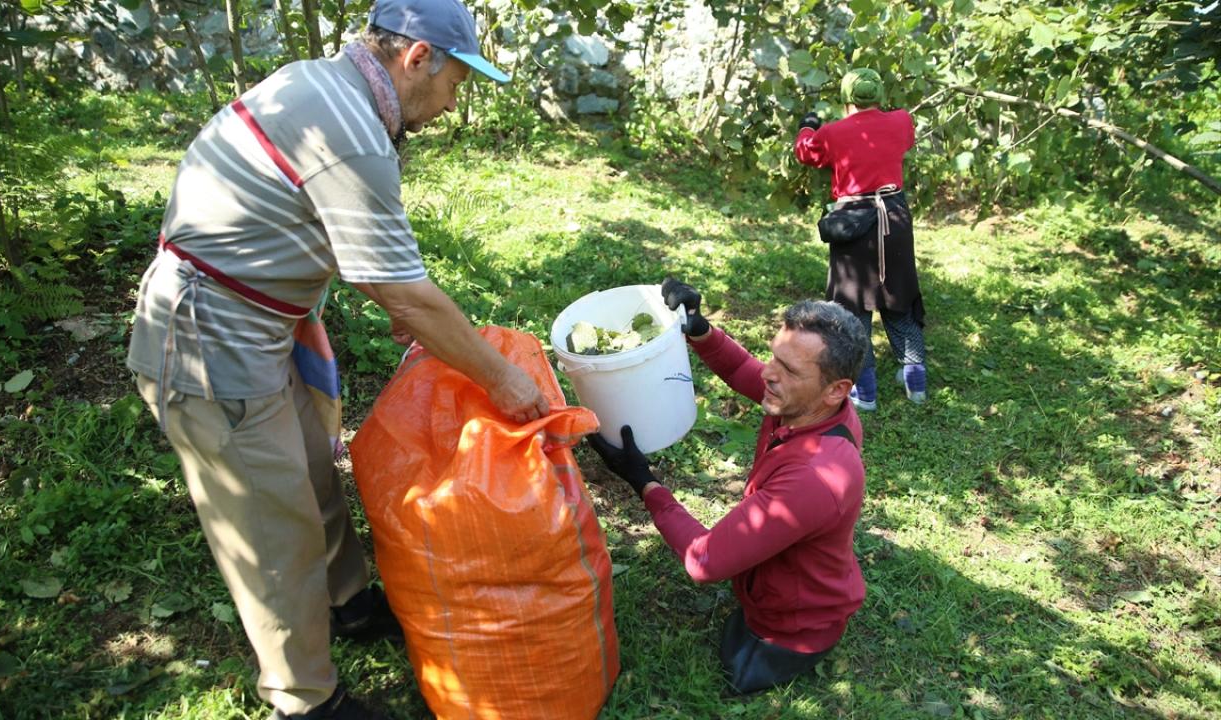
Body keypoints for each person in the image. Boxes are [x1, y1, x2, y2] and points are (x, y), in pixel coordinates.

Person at [126, 0, 548, 717]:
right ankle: (305, 697)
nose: (453, 103)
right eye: (456, 83)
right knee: (271, 523)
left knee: (313, 475)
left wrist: (407, 307)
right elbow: (405, 294)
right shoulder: (352, 131)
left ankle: (349, 603)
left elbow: (335, 241)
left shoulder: (321, 83)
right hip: (209, 343)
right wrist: (501, 376)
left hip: (259, 323)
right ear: (418, 57)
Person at [588, 278, 868, 695]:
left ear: (836, 390)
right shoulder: (809, 407)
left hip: (794, 625)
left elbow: (705, 562)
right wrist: (700, 328)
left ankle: (790, 646)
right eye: (775, 357)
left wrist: (643, 481)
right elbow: (742, 370)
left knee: (733, 673)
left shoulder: (814, 476)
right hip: (779, 585)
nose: (769, 375)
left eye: (788, 370)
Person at [794, 67, 928, 410]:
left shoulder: (833, 132)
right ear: (880, 95)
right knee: (899, 294)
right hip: (894, 217)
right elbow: (905, 141)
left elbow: (807, 153)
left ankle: (865, 391)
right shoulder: (901, 120)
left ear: (846, 98)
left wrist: (807, 126)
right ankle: (915, 382)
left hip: (853, 221)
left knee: (852, 305)